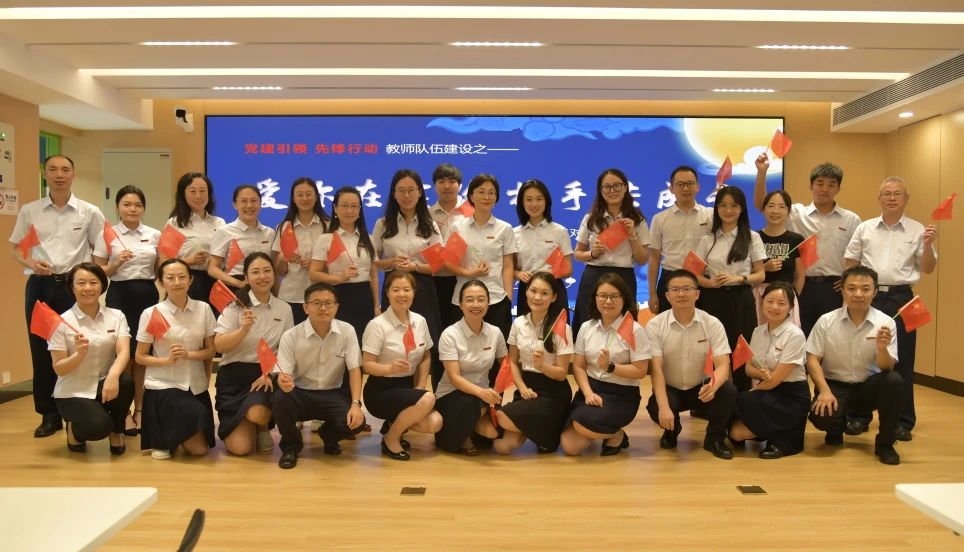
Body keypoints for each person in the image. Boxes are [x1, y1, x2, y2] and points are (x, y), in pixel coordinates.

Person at [9, 155, 106, 438]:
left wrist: (91, 281)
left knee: (79, 347)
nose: (59, 175)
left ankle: (77, 410)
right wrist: (30, 262)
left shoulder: (89, 212)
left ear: (73, 174)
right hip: (40, 285)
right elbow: (17, 249)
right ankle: (49, 415)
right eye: (53, 170)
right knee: (42, 350)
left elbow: (100, 251)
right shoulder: (30, 210)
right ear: (45, 174)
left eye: (65, 170)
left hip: (74, 288)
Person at [843, 177, 937, 442]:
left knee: (902, 360)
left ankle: (901, 421)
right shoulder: (865, 228)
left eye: (897, 193)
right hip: (868, 296)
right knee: (863, 356)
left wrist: (928, 244)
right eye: (887, 193)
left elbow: (928, 268)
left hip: (902, 298)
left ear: (906, 198)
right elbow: (850, 261)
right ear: (879, 198)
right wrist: (856, 292)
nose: (892, 198)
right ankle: (859, 416)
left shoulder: (918, 230)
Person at [754, 155, 860, 336]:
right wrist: (762, 173)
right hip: (802, 286)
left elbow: (858, 255)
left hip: (833, 288)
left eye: (831, 184)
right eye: (820, 183)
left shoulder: (851, 219)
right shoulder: (796, 212)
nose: (824, 189)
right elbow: (762, 204)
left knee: (831, 336)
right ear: (811, 186)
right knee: (799, 336)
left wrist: (849, 279)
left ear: (838, 188)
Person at [806, 265, 902, 465]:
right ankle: (836, 426)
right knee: (822, 418)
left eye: (865, 289)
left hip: (867, 387)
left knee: (893, 381)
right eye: (851, 288)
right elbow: (812, 358)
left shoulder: (885, 323)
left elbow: (887, 368)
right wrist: (824, 390)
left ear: (875, 292)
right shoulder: (826, 321)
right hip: (835, 386)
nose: (858, 294)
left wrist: (882, 348)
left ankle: (885, 444)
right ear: (842, 290)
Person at [645, 269, 738, 460]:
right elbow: (656, 369)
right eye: (675, 290)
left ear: (697, 294)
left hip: (701, 387)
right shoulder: (655, 325)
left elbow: (723, 364)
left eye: (687, 289)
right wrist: (664, 407)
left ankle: (714, 438)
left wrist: (713, 386)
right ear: (667, 296)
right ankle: (672, 429)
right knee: (656, 406)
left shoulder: (712, 323)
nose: (681, 294)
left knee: (728, 391)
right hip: (671, 388)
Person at [272, 283, 365, 469]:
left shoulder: (347, 331)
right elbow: (284, 373)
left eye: (328, 303)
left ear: (336, 307)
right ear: (305, 307)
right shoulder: (291, 335)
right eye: (317, 303)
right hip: (300, 392)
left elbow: (355, 369)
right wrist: (283, 382)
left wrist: (356, 404)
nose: (323, 308)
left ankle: (328, 436)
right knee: (280, 400)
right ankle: (291, 447)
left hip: (333, 392)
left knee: (356, 422)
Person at [94, 185, 160, 436]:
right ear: (118, 207)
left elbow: (160, 268)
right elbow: (97, 272)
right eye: (127, 204)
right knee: (124, 356)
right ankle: (122, 412)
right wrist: (115, 264)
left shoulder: (154, 234)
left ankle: (140, 410)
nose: (133, 209)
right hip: (119, 295)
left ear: (144, 208)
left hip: (148, 296)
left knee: (142, 355)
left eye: (138, 205)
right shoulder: (107, 235)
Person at [135, 259, 217, 460]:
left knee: (200, 450)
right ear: (161, 282)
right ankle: (165, 438)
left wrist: (189, 355)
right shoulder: (152, 313)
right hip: (164, 383)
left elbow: (211, 351)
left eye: (182, 277)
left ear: (191, 280)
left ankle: (172, 436)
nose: (177, 282)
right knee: (173, 450)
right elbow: (140, 356)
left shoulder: (203, 309)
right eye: (170, 278)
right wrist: (166, 361)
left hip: (195, 384)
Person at [49, 262, 134, 455]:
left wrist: (113, 376)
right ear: (72, 287)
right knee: (98, 427)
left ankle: (116, 430)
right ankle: (75, 429)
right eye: (81, 283)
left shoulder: (116, 316)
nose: (88, 288)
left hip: (103, 384)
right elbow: (59, 368)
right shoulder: (61, 322)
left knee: (126, 382)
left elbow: (123, 352)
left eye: (93, 282)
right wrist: (78, 355)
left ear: (102, 286)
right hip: (73, 390)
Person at [560, 273, 649, 457]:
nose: (608, 301)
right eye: (603, 296)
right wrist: (587, 393)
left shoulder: (635, 330)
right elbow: (578, 366)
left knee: (582, 423)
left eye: (614, 296)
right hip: (591, 389)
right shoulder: (587, 327)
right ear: (595, 298)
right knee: (570, 447)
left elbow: (641, 371)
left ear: (624, 299)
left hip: (621, 394)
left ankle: (616, 434)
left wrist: (611, 367)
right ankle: (606, 432)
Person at [213, 252, 293, 455]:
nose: (262, 276)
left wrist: (269, 373)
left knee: (257, 413)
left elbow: (287, 349)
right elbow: (219, 346)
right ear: (246, 278)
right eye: (255, 272)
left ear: (274, 274)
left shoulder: (284, 309)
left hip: (264, 375)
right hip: (233, 376)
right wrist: (243, 330)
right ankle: (249, 426)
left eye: (267, 271)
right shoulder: (234, 307)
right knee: (241, 449)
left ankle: (261, 426)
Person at [371, 169, 444, 392]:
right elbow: (374, 262)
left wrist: (416, 267)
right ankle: (397, 396)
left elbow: (438, 265)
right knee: (395, 342)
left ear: (420, 192)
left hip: (422, 287)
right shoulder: (383, 224)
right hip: (394, 287)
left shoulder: (429, 225)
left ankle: (422, 393)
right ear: (393, 194)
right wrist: (391, 261)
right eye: (401, 190)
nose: (406, 195)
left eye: (411, 190)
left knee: (425, 344)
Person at [362, 271, 442, 461]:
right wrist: (389, 368)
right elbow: (367, 365)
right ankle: (392, 438)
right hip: (381, 389)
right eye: (396, 290)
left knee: (434, 423)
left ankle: (393, 424)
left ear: (414, 293)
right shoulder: (377, 325)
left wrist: (419, 386)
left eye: (406, 289)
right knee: (428, 398)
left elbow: (426, 356)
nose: (401, 294)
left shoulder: (420, 321)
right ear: (387, 293)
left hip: (408, 386)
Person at [694, 185, 766, 392]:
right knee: (712, 348)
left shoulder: (752, 237)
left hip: (741, 298)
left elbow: (761, 274)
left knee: (741, 349)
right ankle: (712, 397)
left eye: (734, 206)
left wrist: (738, 278)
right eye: (723, 205)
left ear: (741, 209)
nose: (728, 210)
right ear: (716, 208)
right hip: (712, 299)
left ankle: (743, 396)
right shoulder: (707, 240)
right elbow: (695, 275)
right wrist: (709, 283)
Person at [728, 281, 810, 459]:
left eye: (781, 303)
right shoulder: (758, 331)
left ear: (790, 308)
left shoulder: (795, 335)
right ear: (762, 302)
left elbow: (774, 381)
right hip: (766, 391)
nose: (774, 307)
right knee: (735, 434)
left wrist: (749, 394)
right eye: (770, 301)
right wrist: (759, 373)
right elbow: (749, 368)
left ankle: (781, 439)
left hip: (791, 396)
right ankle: (767, 431)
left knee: (743, 399)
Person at [494, 272, 573, 455]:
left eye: (544, 293)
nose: (537, 297)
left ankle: (550, 426)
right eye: (533, 291)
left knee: (502, 416)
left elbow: (562, 374)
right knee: (503, 447)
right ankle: (541, 430)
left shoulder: (562, 328)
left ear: (554, 297)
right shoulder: (518, 323)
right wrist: (522, 388)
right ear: (526, 292)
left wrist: (542, 366)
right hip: (527, 387)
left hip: (553, 391)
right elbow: (513, 362)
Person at [572, 168, 649, 338]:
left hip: (623, 277)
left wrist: (632, 235)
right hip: (594, 276)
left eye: (616, 186)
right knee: (588, 324)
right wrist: (593, 253)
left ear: (625, 187)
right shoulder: (590, 218)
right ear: (600, 191)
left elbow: (643, 259)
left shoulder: (637, 220)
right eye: (606, 187)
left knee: (623, 327)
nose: (612, 191)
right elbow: (577, 254)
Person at [434, 280, 508, 455]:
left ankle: (469, 426)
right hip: (452, 394)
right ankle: (458, 435)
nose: (476, 304)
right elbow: (454, 378)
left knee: (492, 434)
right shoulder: (450, 334)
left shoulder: (495, 332)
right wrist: (482, 393)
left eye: (481, 299)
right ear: (460, 304)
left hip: (482, 395)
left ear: (488, 303)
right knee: (471, 405)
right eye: (469, 300)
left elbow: (507, 365)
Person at [444, 173, 518, 348]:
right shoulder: (458, 228)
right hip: (464, 299)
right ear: (471, 196)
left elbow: (508, 265)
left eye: (491, 193)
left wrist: (508, 297)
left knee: (498, 351)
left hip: (496, 299)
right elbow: (448, 264)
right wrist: (469, 273)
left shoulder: (504, 228)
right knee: (463, 349)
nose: (487, 197)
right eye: (481, 192)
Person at [309, 186, 380, 342]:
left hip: (364, 296)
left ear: (360, 210)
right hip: (337, 296)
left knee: (364, 342)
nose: (349, 211)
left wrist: (376, 305)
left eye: (354, 206)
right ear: (335, 208)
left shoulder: (369, 239)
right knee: (339, 343)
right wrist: (339, 278)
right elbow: (314, 273)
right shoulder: (326, 239)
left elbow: (374, 275)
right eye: (344, 206)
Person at [647, 165, 712, 314]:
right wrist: (652, 293)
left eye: (690, 184)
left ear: (698, 187)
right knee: (668, 324)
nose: (686, 188)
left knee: (704, 324)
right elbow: (654, 258)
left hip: (702, 279)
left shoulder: (711, 216)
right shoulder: (659, 219)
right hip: (670, 278)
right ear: (671, 188)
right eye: (680, 184)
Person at [162, 172, 226, 303]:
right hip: (189, 281)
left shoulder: (219, 223)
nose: (198, 196)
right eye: (192, 191)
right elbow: (164, 263)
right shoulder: (175, 223)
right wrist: (190, 261)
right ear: (183, 194)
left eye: (202, 191)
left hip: (218, 282)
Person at [272, 177, 328, 325]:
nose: (304, 198)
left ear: (316, 197)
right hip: (291, 295)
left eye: (308, 194)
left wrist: (317, 265)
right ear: (293, 198)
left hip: (322, 296)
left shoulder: (328, 226)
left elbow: (337, 264)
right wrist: (282, 259)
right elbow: (279, 271)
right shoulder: (284, 227)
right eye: (300, 194)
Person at [513, 179, 573, 317]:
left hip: (553, 290)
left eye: (539, 199)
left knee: (556, 330)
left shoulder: (559, 231)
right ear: (522, 203)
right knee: (525, 329)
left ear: (546, 201)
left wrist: (547, 275)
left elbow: (568, 269)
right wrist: (518, 274)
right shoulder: (514, 233)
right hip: (527, 291)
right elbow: (510, 268)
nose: (534, 204)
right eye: (529, 199)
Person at [208, 184, 276, 292]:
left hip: (264, 286)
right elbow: (212, 269)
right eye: (244, 201)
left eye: (254, 200)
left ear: (260, 203)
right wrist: (240, 284)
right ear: (235, 204)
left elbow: (273, 267)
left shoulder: (270, 233)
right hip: (236, 287)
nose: (249, 205)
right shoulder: (224, 231)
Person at [427, 163, 467, 336]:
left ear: (460, 185)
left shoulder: (470, 213)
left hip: (462, 278)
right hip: (434, 279)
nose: (447, 186)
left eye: (452, 181)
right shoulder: (426, 215)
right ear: (434, 185)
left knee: (461, 329)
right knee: (436, 328)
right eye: (441, 181)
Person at [755, 190, 804, 325]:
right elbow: (745, 272)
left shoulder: (796, 239)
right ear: (763, 209)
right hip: (759, 296)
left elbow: (800, 276)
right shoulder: (754, 237)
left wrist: (792, 297)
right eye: (771, 206)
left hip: (785, 297)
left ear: (788, 211)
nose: (775, 211)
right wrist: (764, 268)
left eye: (782, 207)